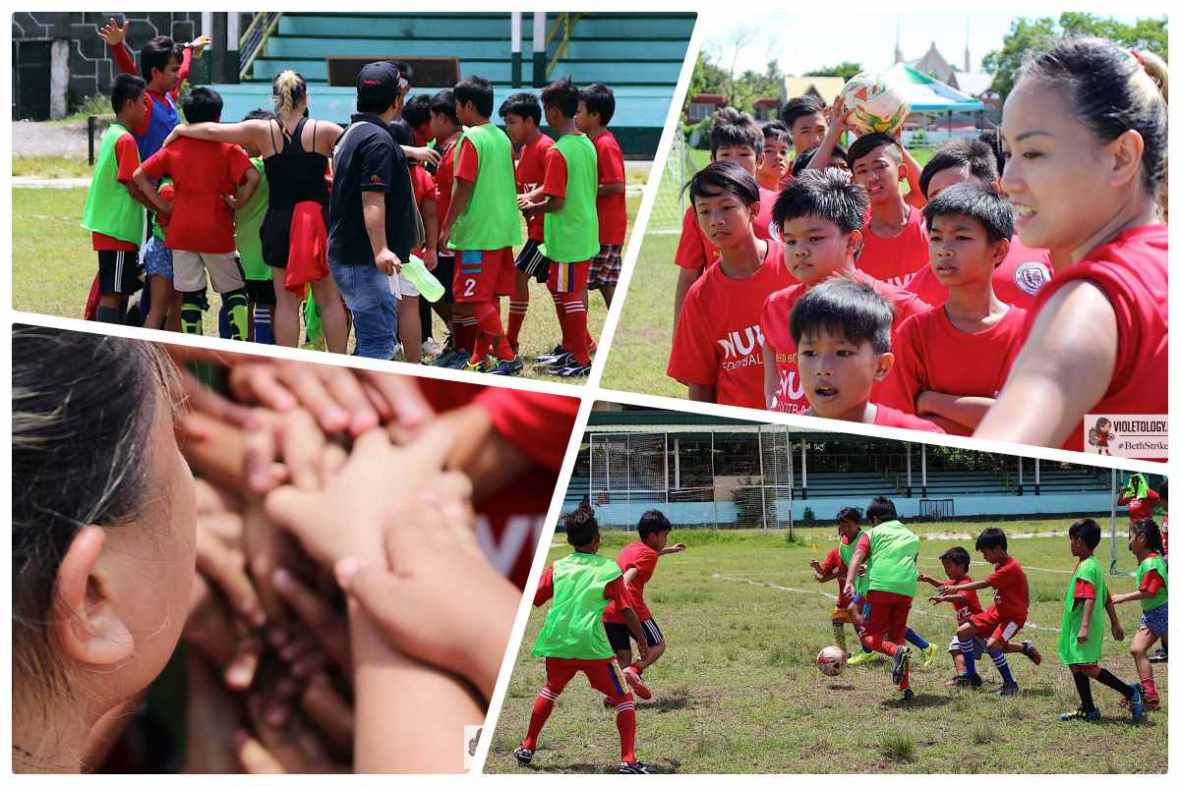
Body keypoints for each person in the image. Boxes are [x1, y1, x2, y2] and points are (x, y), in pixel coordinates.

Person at [975, 38, 1168, 453]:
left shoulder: (1091, 301)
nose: (1008, 179)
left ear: (1121, 157)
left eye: (1034, 152)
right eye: (1008, 152)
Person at [164, 70, 351, 352]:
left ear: (275, 99)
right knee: (328, 299)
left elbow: (214, 131)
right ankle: (340, 364)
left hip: (279, 222)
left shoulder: (262, 131)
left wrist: (181, 129)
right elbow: (366, 143)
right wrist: (412, 151)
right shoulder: (323, 130)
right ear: (306, 97)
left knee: (286, 301)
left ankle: (287, 368)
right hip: (317, 224)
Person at [760, 169, 928, 415]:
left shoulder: (901, 308)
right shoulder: (775, 305)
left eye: (814, 239)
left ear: (852, 241)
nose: (800, 250)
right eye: (791, 241)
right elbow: (773, 373)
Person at [514, 503, 655, 774]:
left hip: (557, 643)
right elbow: (626, 610)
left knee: (550, 690)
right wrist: (641, 640)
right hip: (591, 647)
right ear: (597, 539)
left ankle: (527, 746)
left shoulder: (558, 567)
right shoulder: (608, 569)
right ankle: (629, 761)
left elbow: (535, 598)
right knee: (624, 698)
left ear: (568, 540)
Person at [876, 184, 1025, 435]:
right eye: (935, 237)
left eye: (961, 237)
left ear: (998, 250)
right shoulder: (915, 333)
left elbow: (1022, 421)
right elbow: (899, 426)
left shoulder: (1029, 332)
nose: (944, 248)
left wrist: (930, 401)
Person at [133, 87, 259, 340]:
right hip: (216, 231)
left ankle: (194, 346)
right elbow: (252, 176)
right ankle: (241, 342)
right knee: (234, 290)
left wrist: (163, 205)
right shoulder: (227, 147)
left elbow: (139, 176)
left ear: (187, 116)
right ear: (218, 117)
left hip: (181, 232)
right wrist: (239, 201)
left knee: (190, 294)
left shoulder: (175, 146)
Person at [666, 162, 794, 408]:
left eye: (727, 207)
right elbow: (700, 384)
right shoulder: (700, 297)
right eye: (704, 211)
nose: (715, 220)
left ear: (753, 209)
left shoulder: (794, 265)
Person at [328, 62, 418, 359]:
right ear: (396, 100)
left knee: (370, 339)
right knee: (379, 343)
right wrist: (380, 250)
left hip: (350, 253)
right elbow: (372, 199)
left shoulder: (352, 132)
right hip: (363, 259)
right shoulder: (378, 140)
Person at [903, 139, 1053, 309]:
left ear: (995, 191)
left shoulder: (1052, 251)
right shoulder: (921, 289)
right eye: (936, 197)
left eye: (960, 190)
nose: (949, 204)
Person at [438, 74, 523, 374]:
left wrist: (446, 226)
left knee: (473, 299)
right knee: (488, 298)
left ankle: (507, 355)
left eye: (457, 104)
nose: (455, 110)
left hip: (477, 233)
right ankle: (478, 358)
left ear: (468, 105)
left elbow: (463, 186)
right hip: (502, 232)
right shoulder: (501, 137)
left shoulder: (471, 139)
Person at [672, 108, 783, 326]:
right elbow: (688, 276)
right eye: (725, 155)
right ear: (712, 159)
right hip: (723, 321)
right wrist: (679, 331)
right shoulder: (699, 212)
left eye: (743, 154)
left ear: (760, 159)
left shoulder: (783, 205)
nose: (734, 162)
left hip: (774, 319)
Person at [519, 77, 600, 378]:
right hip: (583, 231)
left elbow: (556, 200)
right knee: (564, 288)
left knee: (569, 294)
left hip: (567, 236)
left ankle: (580, 358)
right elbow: (559, 187)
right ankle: (572, 349)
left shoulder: (557, 150)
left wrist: (532, 206)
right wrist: (531, 195)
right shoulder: (585, 144)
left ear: (552, 112)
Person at [1056, 519, 1145, 722]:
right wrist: (1115, 622)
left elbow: (1090, 596)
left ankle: (1131, 692)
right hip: (1079, 624)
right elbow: (1106, 596)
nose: (1070, 544)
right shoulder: (1092, 564)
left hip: (1083, 625)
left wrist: (1084, 626)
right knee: (1075, 664)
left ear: (1079, 541)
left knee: (1086, 666)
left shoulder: (1088, 568)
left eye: (1071, 540)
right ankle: (1088, 709)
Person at [80, 73, 152, 324]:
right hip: (117, 231)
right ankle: (107, 344)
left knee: (119, 291)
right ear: (130, 104)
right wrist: (160, 207)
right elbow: (133, 186)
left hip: (111, 229)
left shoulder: (113, 133)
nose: (146, 109)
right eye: (143, 102)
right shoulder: (126, 139)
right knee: (113, 294)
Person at [938, 527, 1041, 696]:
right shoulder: (1000, 564)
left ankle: (1011, 684)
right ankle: (970, 677)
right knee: (963, 632)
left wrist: (955, 588)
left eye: (985, 553)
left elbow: (984, 584)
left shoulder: (1010, 568)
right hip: (997, 612)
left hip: (1012, 617)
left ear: (998, 549)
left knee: (993, 645)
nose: (984, 557)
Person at [839, 497, 920, 700]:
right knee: (897, 637)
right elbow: (913, 561)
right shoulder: (911, 535)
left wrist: (849, 581)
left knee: (869, 637)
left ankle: (897, 654)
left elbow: (858, 556)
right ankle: (905, 688)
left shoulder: (872, 533)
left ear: (874, 519)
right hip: (907, 588)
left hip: (881, 586)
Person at [602, 510, 686, 699]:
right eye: (664, 536)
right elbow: (630, 574)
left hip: (609, 610)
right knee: (658, 645)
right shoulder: (649, 555)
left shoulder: (632, 547)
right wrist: (623, 585)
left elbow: (646, 555)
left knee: (622, 656)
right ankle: (634, 670)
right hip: (632, 609)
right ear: (652, 535)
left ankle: (613, 695)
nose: (665, 539)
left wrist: (669, 549)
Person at [500, 92, 555, 355]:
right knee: (558, 288)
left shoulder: (547, 147)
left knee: (518, 276)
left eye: (512, 122)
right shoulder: (524, 150)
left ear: (530, 121)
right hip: (537, 230)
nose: (508, 128)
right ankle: (583, 341)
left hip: (547, 232)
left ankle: (511, 340)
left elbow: (555, 183)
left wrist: (531, 197)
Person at [846, 132, 929, 287]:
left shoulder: (930, 228)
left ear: (902, 172)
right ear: (854, 181)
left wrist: (897, 143)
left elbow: (927, 190)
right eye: (862, 171)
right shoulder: (853, 245)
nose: (872, 177)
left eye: (880, 166)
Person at [577, 82, 628, 308]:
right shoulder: (591, 142)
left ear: (595, 115)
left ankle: (578, 339)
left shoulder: (605, 144)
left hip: (604, 229)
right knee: (606, 283)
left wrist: (584, 191)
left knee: (577, 283)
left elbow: (616, 184)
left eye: (579, 111)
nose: (575, 117)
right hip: (602, 228)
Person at [1111, 518, 1168, 710]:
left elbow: (1150, 591)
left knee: (1138, 649)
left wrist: (1121, 597)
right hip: (1154, 611)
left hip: (1160, 611)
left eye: (1131, 536)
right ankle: (1149, 695)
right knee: (1138, 650)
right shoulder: (1149, 561)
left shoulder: (1151, 563)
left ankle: (1150, 696)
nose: (1129, 541)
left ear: (1142, 538)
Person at [428, 90, 465, 367]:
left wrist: (447, 228)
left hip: (450, 234)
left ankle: (461, 339)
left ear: (442, 117)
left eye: (432, 118)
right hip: (443, 230)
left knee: (444, 290)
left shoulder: (457, 150)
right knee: (438, 289)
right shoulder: (447, 147)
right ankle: (458, 336)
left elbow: (458, 193)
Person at [919, 547, 987, 686]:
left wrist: (944, 598)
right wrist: (929, 579)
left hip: (977, 627)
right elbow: (943, 586)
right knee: (955, 648)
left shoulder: (966, 583)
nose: (946, 570)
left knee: (1000, 648)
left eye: (948, 566)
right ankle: (965, 677)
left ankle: (1024, 647)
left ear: (961, 566)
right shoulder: (953, 582)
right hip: (965, 629)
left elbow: (961, 597)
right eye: (944, 567)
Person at [809, 507, 867, 654]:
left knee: (864, 626)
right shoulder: (836, 553)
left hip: (862, 597)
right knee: (837, 619)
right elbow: (822, 576)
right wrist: (817, 569)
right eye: (842, 528)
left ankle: (870, 650)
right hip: (844, 599)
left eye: (848, 526)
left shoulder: (865, 544)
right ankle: (842, 653)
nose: (844, 531)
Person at [757, 120, 792, 190]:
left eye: (783, 152)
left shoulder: (791, 196)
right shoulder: (748, 196)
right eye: (769, 151)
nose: (778, 157)